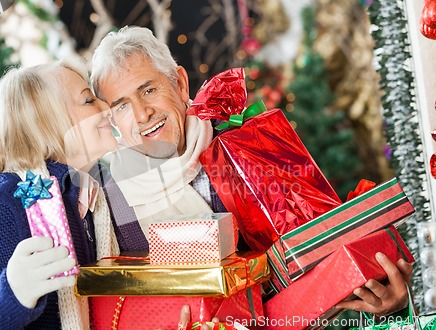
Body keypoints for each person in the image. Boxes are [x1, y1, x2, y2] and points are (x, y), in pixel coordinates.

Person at [90, 25, 413, 317]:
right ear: (112, 119)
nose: (142, 113)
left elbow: (328, 253)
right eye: (121, 105)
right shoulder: (105, 200)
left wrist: (387, 298)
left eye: (148, 91)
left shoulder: (254, 145)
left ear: (180, 84)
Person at [0, 60, 120, 329]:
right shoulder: (2, 204)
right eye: (89, 100)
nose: (107, 108)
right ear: (45, 121)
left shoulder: (94, 198)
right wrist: (10, 294)